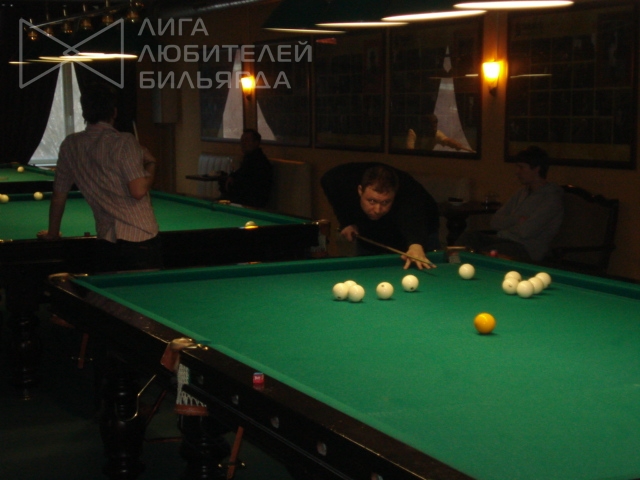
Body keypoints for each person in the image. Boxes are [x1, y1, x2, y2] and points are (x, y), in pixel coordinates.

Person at [38, 83, 162, 271]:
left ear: (85, 112)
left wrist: (53, 234)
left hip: (106, 241)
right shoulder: (125, 141)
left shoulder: (70, 145)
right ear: (114, 112)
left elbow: (58, 196)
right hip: (141, 239)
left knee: (109, 290)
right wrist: (151, 164)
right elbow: (138, 191)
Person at [321, 162, 440, 270]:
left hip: (422, 225)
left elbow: (415, 220)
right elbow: (326, 181)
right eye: (372, 201)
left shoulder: (409, 197)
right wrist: (346, 221)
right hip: (370, 227)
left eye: (385, 202)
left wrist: (416, 245)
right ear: (360, 190)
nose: (378, 210)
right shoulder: (341, 180)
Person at [456, 146, 564, 262]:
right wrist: (517, 220)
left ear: (537, 169)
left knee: (485, 252)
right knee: (469, 237)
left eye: (521, 167)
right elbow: (494, 222)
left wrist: (508, 225)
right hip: (503, 239)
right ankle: (452, 265)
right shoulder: (521, 192)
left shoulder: (551, 199)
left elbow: (525, 232)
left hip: (525, 249)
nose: (517, 172)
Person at [217, 129, 273, 208]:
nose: (243, 143)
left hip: (250, 204)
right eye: (242, 140)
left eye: (247, 140)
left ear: (256, 143)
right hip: (243, 201)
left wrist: (230, 184)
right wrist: (232, 177)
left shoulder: (259, 162)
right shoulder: (249, 160)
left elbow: (247, 187)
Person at [406, 114, 475, 152]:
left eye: (435, 123)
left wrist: (456, 144)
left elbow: (447, 140)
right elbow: (410, 152)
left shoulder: (436, 133)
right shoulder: (413, 132)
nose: (434, 126)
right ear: (424, 125)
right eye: (431, 124)